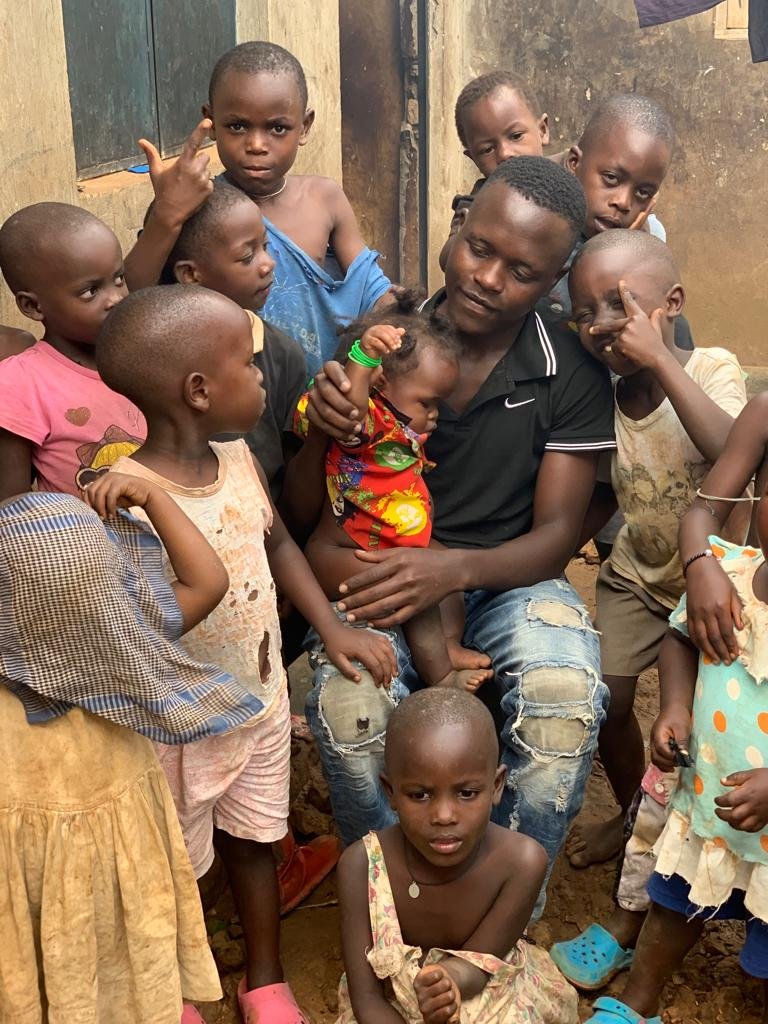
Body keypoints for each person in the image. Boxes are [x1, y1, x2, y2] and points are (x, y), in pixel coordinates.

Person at [282, 156, 616, 910]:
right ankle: (393, 908)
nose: (489, 278)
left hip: (506, 579)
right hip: (378, 570)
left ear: (556, 278)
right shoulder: (378, 345)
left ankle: (502, 911)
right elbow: (309, 514)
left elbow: (556, 536)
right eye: (480, 247)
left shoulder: (568, 368)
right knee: (351, 709)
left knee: (561, 698)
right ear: (458, 224)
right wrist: (321, 432)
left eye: (522, 271)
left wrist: (450, 570)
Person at [96, 284, 397, 1024]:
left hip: (260, 705)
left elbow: (278, 542)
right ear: (199, 391)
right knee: (180, 867)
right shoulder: (126, 497)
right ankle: (179, 986)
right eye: (248, 363)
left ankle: (264, 978)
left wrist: (331, 628)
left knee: (256, 842)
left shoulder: (236, 458)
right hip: (179, 729)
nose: (265, 377)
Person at [0, 475, 246, 1024]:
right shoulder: (125, 647)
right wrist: (154, 499)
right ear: (108, 591)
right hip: (118, 887)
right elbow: (207, 581)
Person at [561, 230, 747, 874]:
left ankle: (695, 835)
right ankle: (632, 812)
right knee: (608, 701)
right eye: (584, 313)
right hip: (637, 577)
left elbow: (734, 450)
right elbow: (606, 491)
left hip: (718, 582)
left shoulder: (712, 368)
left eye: (618, 303)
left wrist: (662, 362)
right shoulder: (599, 397)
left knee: (701, 716)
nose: (600, 324)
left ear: (672, 303)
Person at [583, 510, 768, 1024]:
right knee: (672, 905)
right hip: (707, 810)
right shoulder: (728, 574)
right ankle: (639, 1000)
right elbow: (681, 640)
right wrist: (675, 708)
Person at [126, 41, 392, 375]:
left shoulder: (324, 198)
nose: (256, 145)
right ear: (210, 121)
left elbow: (372, 290)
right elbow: (134, 300)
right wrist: (167, 213)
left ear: (304, 126)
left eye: (277, 128)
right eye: (237, 126)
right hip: (231, 393)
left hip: (321, 393)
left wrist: (406, 329)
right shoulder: (195, 206)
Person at [336, 688, 578, 1023]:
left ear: (496, 786)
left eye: (466, 793)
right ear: (391, 792)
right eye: (419, 795)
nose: (444, 815)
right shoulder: (361, 866)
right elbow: (367, 999)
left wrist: (450, 979)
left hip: (490, 995)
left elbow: (478, 969)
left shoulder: (522, 863)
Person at [297, 298, 492, 692]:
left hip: (390, 547)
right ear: (382, 385)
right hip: (341, 553)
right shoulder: (369, 424)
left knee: (444, 574)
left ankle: (447, 644)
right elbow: (349, 411)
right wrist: (364, 357)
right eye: (427, 403)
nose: (435, 415)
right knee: (414, 587)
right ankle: (440, 675)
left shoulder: (402, 433)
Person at [159, 177, 306, 498]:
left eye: (265, 246)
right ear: (191, 274)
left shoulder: (281, 354)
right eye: (247, 256)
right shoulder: (159, 351)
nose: (268, 264)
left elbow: (293, 466)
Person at [0, 202, 144, 501]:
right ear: (33, 306)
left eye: (119, 279)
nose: (116, 298)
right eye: (91, 291)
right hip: (91, 531)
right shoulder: (20, 384)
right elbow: (13, 508)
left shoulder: (141, 355)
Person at [438, 70, 550, 271]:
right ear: (473, 158)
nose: (505, 154)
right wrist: (470, 232)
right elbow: (447, 258)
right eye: (487, 149)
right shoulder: (478, 202)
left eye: (516, 136)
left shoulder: (566, 188)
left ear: (542, 130)